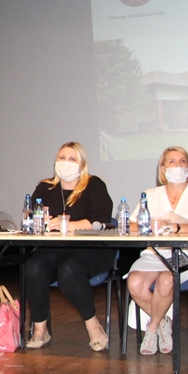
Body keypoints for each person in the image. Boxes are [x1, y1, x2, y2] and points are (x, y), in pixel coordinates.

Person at [24, 142, 114, 351]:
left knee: (69, 269)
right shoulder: (45, 187)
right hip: (55, 247)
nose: (66, 163)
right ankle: (40, 329)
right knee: (33, 266)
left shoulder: (94, 185)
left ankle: (93, 325)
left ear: (82, 164)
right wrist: (39, 219)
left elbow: (99, 222)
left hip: (91, 248)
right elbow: (32, 217)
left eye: (72, 159)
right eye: (62, 158)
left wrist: (65, 224)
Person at [126, 146, 188, 356]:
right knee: (134, 283)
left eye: (182, 161)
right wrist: (150, 226)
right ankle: (163, 321)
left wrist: (176, 227)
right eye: (172, 161)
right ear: (163, 169)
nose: (178, 165)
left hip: (187, 253)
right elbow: (131, 225)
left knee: (166, 280)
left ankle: (152, 327)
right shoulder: (150, 194)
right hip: (154, 253)